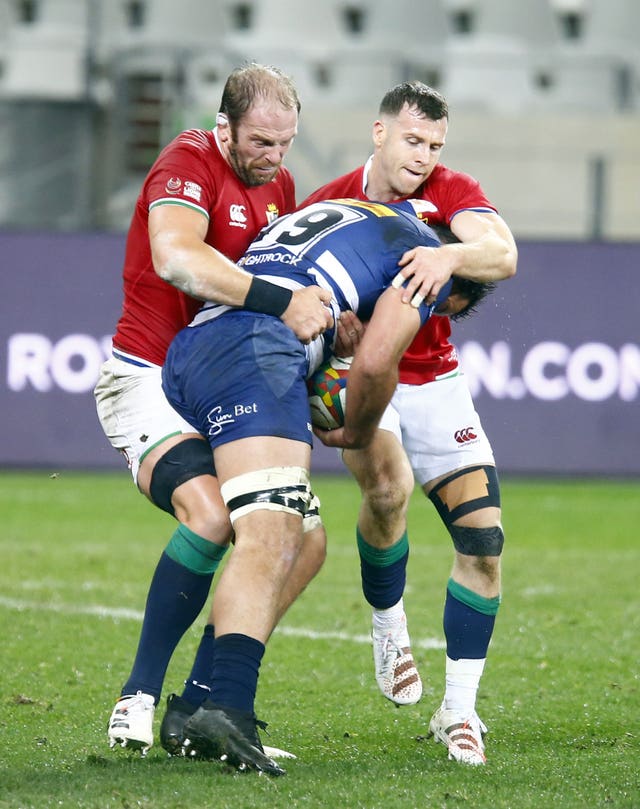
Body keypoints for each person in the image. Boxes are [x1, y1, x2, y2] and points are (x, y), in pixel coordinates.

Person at [160, 197, 493, 775]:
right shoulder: (426, 262)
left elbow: (305, 281)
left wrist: (332, 335)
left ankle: (194, 705)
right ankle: (228, 709)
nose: (430, 318)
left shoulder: (355, 213)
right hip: (256, 353)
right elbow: (374, 364)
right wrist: (356, 432)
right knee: (271, 533)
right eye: (444, 308)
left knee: (304, 543)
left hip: (201, 345)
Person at [94, 63, 333, 757]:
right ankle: (138, 692)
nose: (275, 158)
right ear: (223, 126)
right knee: (213, 514)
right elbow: (175, 257)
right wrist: (279, 300)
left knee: (303, 541)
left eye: (286, 143)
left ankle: (199, 706)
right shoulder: (187, 161)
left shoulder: (277, 186)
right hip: (145, 380)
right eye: (261, 141)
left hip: (220, 383)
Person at [301, 81, 518, 765]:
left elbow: (503, 253)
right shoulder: (328, 204)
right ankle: (388, 624)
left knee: (484, 541)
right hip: (365, 378)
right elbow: (293, 293)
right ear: (379, 132)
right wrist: (329, 325)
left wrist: (446, 253)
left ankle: (458, 709)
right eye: (413, 140)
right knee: (388, 489)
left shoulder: (450, 192)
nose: (423, 155)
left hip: (436, 383)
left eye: (434, 145)